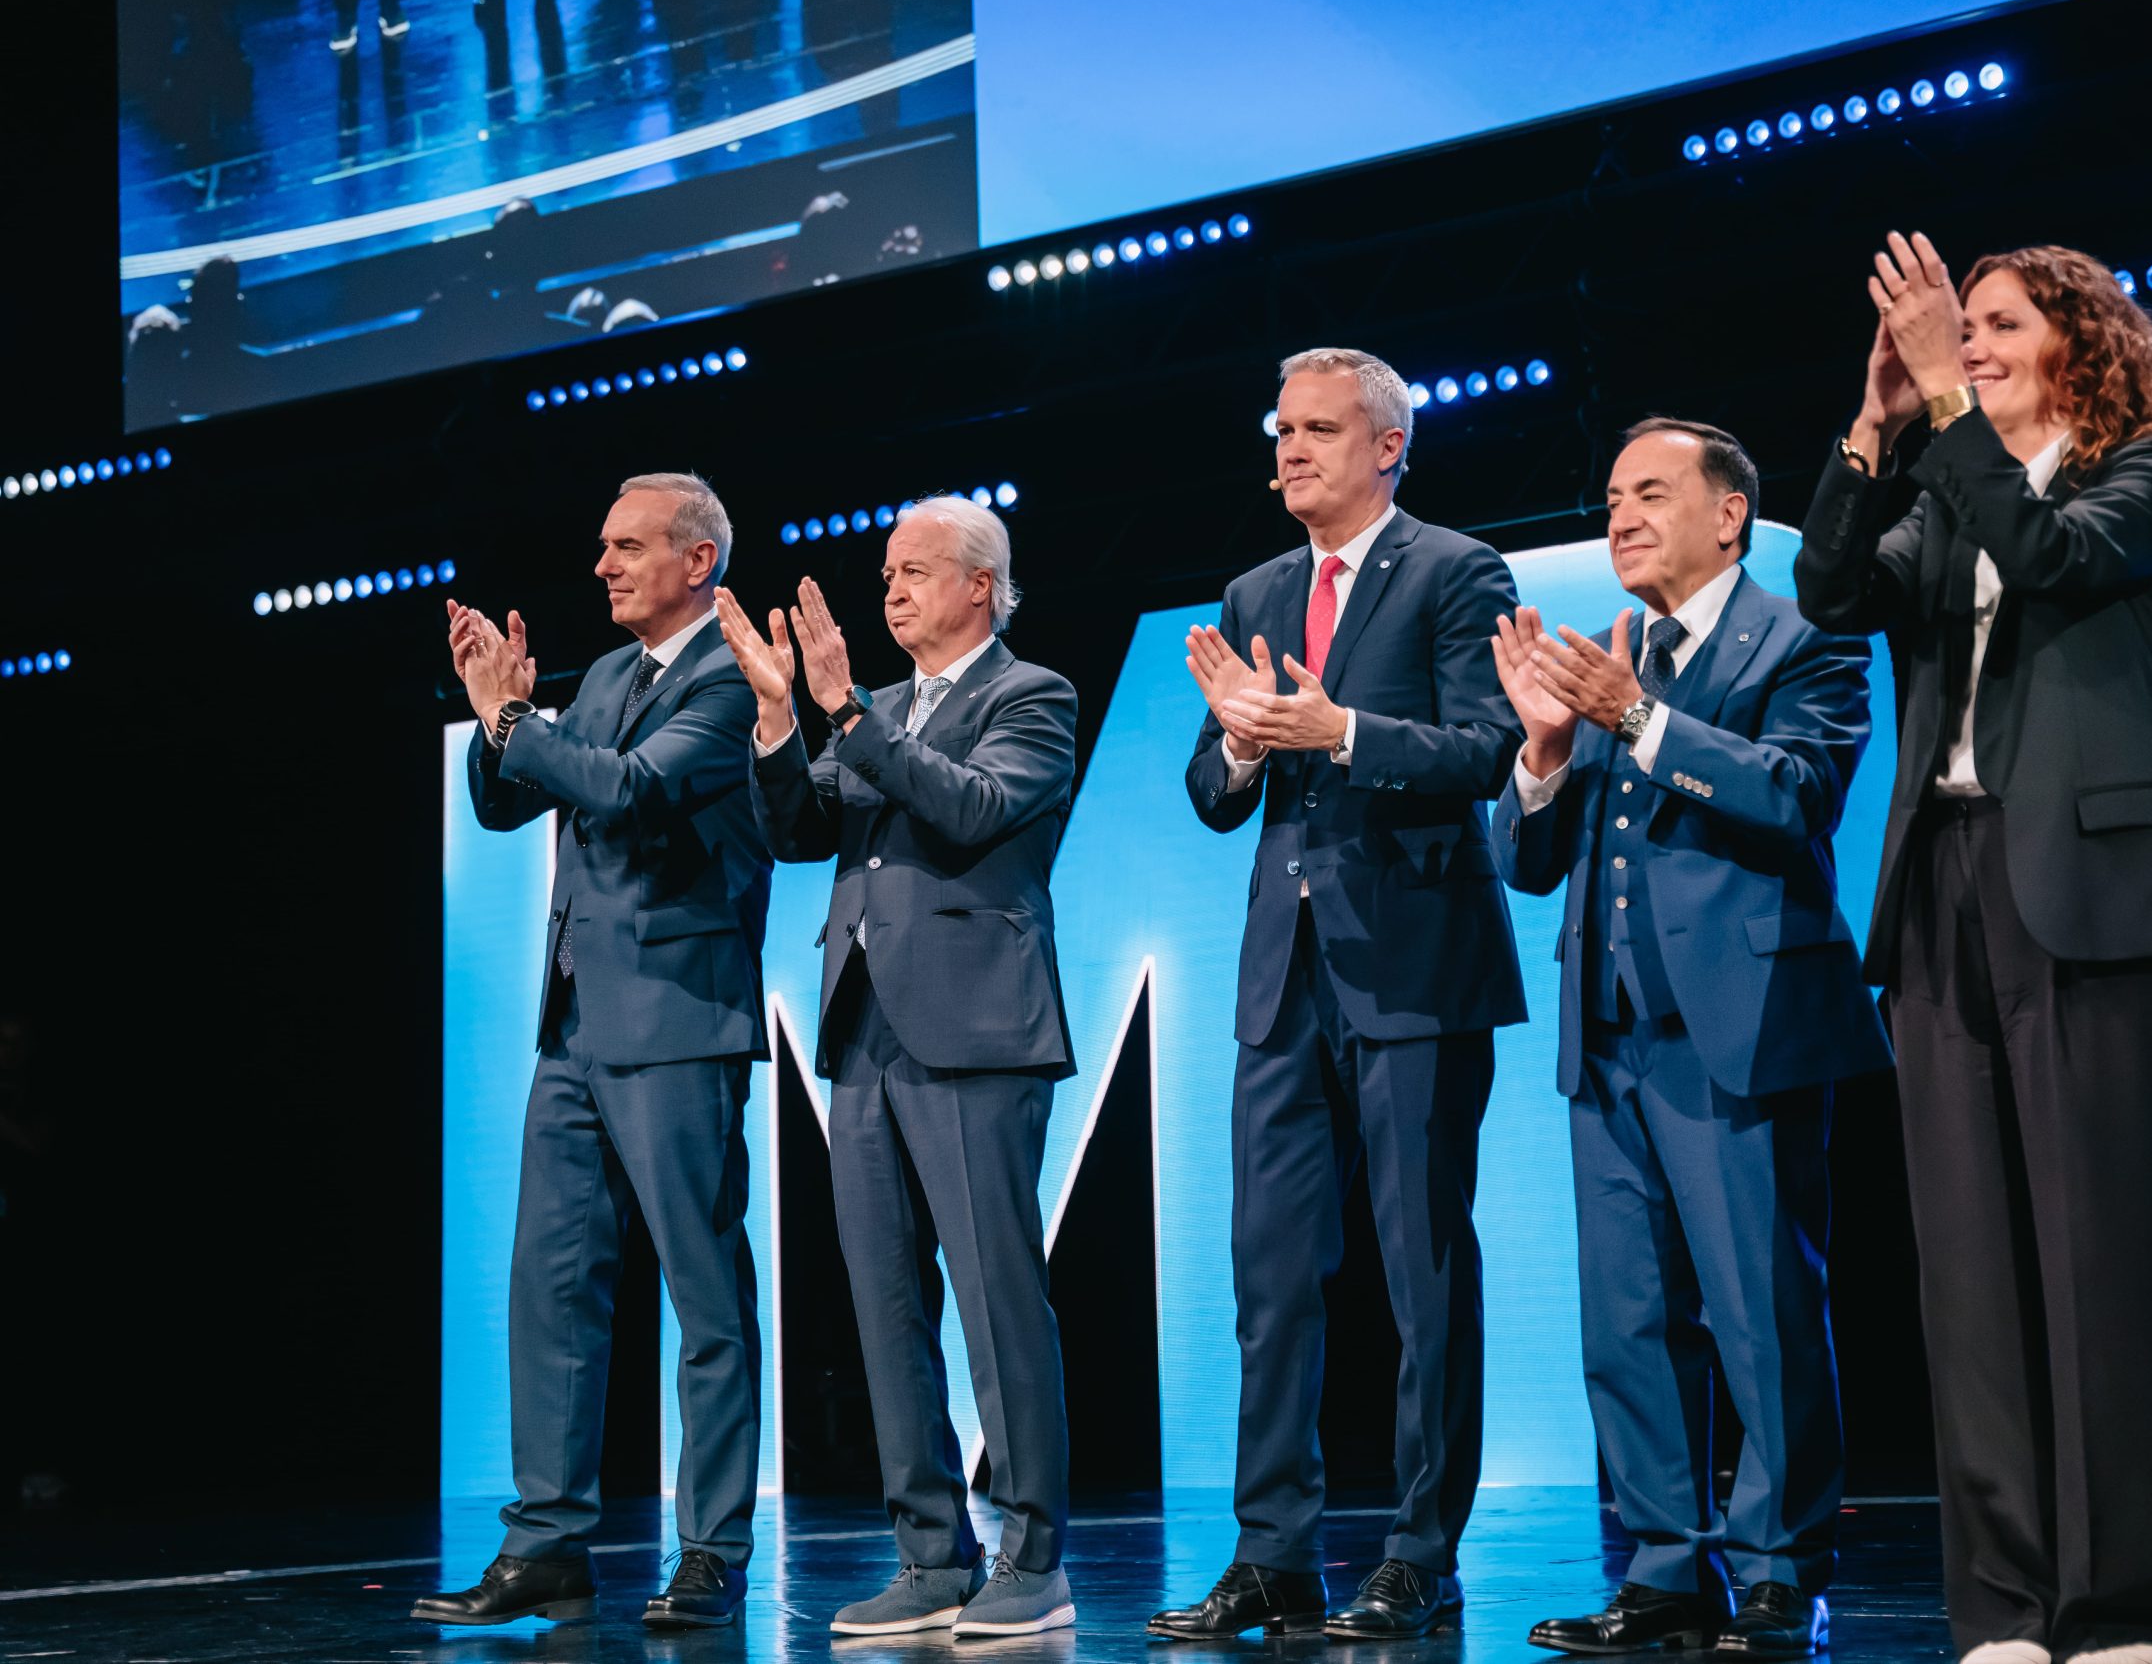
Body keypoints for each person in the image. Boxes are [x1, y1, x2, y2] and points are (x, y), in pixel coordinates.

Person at [1795, 235, 2152, 1664]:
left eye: (1992, 324)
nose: (1964, 342)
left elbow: (2046, 558)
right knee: (1969, 1267)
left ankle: (2132, 1605)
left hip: (2093, 890)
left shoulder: (2145, 475)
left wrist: (1948, 412)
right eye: (1954, 326)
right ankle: (2005, 1600)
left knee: (2099, 1250)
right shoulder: (1943, 483)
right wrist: (1876, 423)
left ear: (2077, 346)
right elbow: (1834, 591)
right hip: (1943, 887)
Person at [1493, 419, 1891, 1659]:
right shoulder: (1616, 658)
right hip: (1606, 1036)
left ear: (1730, 516)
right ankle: (1664, 1569)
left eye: (1649, 494)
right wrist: (1547, 756)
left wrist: (1640, 719)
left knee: (1759, 1306)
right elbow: (1531, 861)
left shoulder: (1803, 635)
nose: (1619, 517)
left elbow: (1795, 792)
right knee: (1624, 1320)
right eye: (1610, 496)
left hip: (1741, 1026)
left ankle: (1779, 1568)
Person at [1150, 347, 1525, 1642]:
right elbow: (1210, 790)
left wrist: (1342, 731)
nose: (1290, 448)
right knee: (1271, 1275)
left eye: (1318, 429)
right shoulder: (1256, 586)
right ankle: (1275, 1554)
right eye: (1282, 428)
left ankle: (1424, 1551)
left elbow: (1486, 748)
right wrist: (1246, 740)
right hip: (1283, 983)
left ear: (1387, 447)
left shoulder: (1457, 570)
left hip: (1418, 963)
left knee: (1423, 1273)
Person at [719, 495, 1080, 1638]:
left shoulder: (1030, 695)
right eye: (886, 573)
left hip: (975, 1030)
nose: (891, 589)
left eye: (915, 569)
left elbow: (975, 811)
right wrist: (782, 719)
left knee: (994, 1297)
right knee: (883, 1302)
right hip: (864, 1031)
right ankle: (932, 1555)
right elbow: (798, 827)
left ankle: (1033, 1555)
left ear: (981, 584)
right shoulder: (870, 714)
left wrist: (848, 715)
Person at [416, 473, 772, 1631]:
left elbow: (625, 793)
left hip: (676, 1018)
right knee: (552, 1288)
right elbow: (510, 803)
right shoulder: (615, 672)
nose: (606, 567)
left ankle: (711, 1549)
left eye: (629, 548)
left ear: (698, 562)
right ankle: (547, 1543)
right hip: (572, 1025)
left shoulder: (729, 673)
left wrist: (522, 727)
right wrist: (493, 712)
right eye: (604, 548)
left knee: (703, 1295)